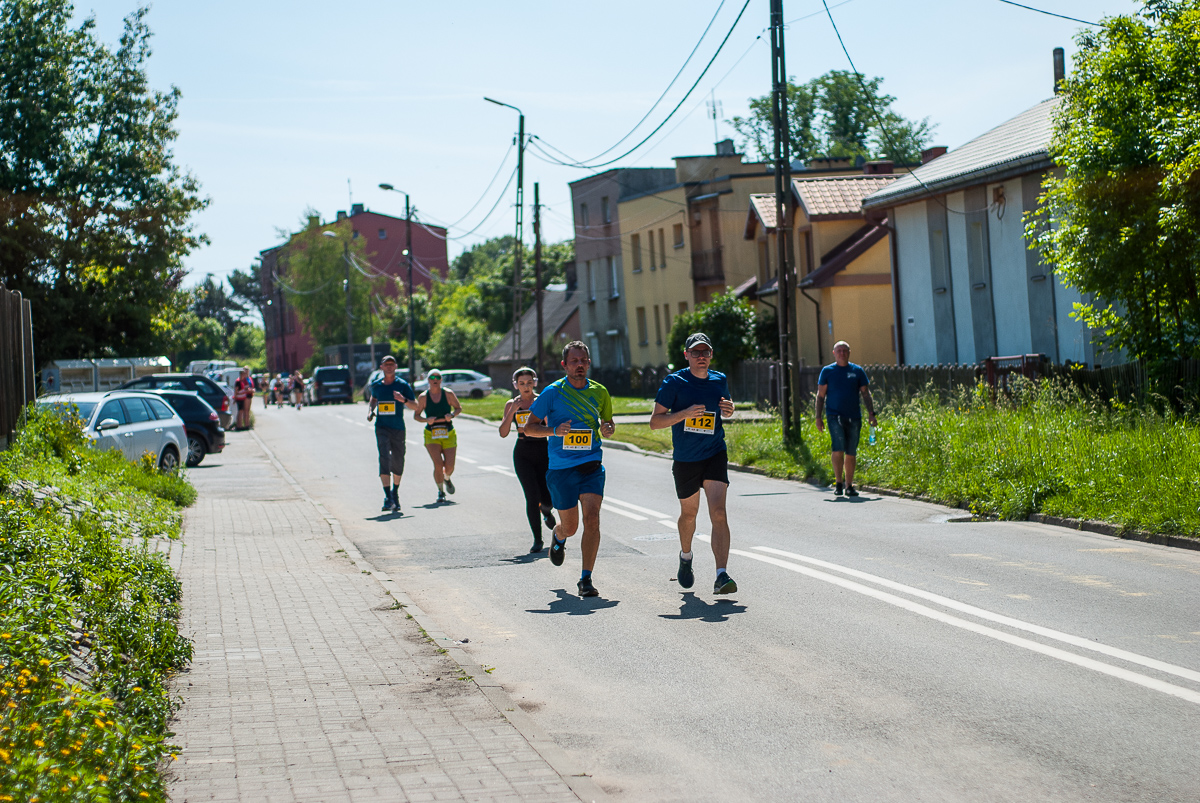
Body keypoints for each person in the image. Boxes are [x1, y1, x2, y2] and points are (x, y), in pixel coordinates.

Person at [524, 341, 616, 598]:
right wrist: (554, 430)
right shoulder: (552, 393)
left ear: (589, 363)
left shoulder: (600, 392)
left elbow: (607, 422)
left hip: (591, 465)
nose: (580, 365)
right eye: (574, 361)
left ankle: (586, 579)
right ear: (564, 365)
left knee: (593, 518)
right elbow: (529, 428)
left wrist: (608, 428)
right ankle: (559, 536)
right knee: (571, 526)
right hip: (562, 469)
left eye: (584, 361)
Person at [650, 333, 739, 595]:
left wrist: (729, 409)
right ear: (686, 355)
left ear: (711, 355)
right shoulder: (674, 382)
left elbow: (724, 406)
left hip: (714, 453)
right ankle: (686, 556)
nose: (701, 357)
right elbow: (655, 422)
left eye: (706, 352)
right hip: (686, 458)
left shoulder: (719, 380)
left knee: (718, 512)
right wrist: (684, 414)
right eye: (696, 352)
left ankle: (721, 575)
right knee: (689, 514)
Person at [499, 367, 556, 554]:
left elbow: (550, 425)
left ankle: (546, 511)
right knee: (531, 497)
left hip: (543, 450)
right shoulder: (511, 404)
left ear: (535, 383)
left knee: (547, 499)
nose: (526, 387)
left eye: (529, 383)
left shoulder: (542, 400)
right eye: (522, 383)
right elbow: (503, 432)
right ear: (516, 385)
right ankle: (537, 540)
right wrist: (512, 411)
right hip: (523, 452)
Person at [815, 340, 877, 497]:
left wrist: (871, 413)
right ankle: (838, 482)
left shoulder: (857, 371)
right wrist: (818, 417)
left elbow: (865, 393)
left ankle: (849, 485)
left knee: (851, 450)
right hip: (834, 415)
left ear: (849, 352)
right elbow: (820, 396)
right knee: (838, 447)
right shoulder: (827, 371)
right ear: (834, 353)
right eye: (839, 350)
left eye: (845, 350)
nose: (842, 353)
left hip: (854, 416)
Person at [367, 355, 419, 512]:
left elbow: (415, 406)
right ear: (381, 367)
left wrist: (402, 400)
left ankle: (394, 492)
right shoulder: (376, 385)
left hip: (398, 427)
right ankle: (388, 497)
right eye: (386, 364)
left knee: (397, 460)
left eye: (391, 364)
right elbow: (373, 399)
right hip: (381, 426)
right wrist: (370, 411)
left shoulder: (402, 385)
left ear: (396, 366)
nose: (389, 367)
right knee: (384, 457)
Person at [413, 369, 462, 503]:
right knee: (438, 464)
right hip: (431, 433)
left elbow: (458, 408)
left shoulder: (448, 394)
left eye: (438, 377)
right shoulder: (423, 397)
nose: (435, 380)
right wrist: (426, 420)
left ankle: (447, 478)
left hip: (448, 432)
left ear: (441, 380)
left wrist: (451, 415)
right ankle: (441, 491)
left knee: (450, 466)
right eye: (432, 377)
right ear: (428, 380)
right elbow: (416, 415)